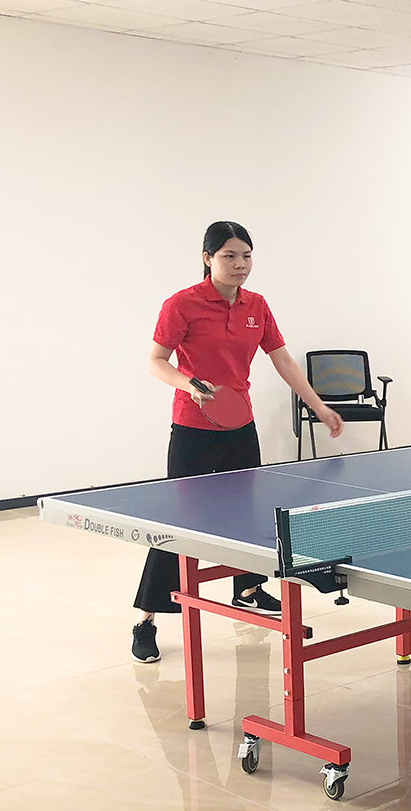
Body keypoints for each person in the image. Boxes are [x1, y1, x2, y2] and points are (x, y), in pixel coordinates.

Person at [132, 221, 344, 664]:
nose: (240, 264)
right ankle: (147, 619)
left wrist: (320, 407)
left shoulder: (256, 305)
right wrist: (189, 385)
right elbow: (155, 361)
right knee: (178, 524)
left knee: (247, 516)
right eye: (229, 256)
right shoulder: (182, 304)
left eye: (246, 256)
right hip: (192, 428)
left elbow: (282, 360)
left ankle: (247, 590)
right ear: (208, 258)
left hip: (240, 427)